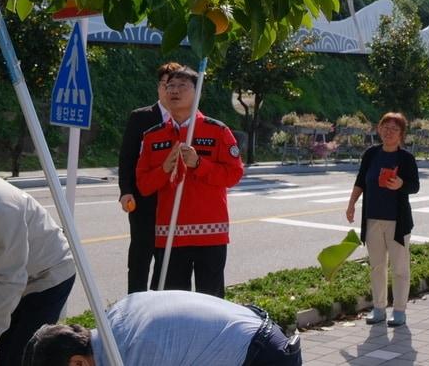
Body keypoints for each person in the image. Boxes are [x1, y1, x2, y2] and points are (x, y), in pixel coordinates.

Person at [136, 64, 243, 297]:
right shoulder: (153, 136)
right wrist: (164, 169)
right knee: (172, 303)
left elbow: (234, 175)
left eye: (182, 86)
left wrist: (199, 164)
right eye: (170, 86)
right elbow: (143, 185)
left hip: (210, 234)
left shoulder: (217, 131)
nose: (174, 90)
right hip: (170, 235)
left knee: (211, 302)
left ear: (197, 92)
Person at [0, 169, 77, 366]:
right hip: (19, 279)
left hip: (47, 276)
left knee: (23, 356)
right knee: (4, 353)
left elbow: (11, 279)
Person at [21, 290, 300, 365]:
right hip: (259, 335)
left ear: (78, 363)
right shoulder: (116, 318)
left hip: (265, 357)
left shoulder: (135, 354)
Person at [345, 112, 420, 327]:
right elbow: (361, 180)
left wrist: (400, 184)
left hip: (398, 222)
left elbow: (414, 186)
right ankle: (378, 308)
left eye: (394, 129)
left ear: (401, 134)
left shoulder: (406, 158)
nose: (389, 132)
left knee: (399, 268)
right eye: (385, 127)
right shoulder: (371, 154)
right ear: (379, 129)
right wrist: (351, 204)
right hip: (372, 219)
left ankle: (399, 310)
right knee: (376, 266)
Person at [116, 63, 177, 293]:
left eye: (176, 86)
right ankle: (135, 302)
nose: (170, 91)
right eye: (166, 85)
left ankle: (158, 302)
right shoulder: (141, 117)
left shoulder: (185, 120)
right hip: (143, 200)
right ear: (159, 87)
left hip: (172, 203)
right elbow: (127, 158)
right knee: (140, 256)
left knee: (167, 260)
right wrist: (126, 191)